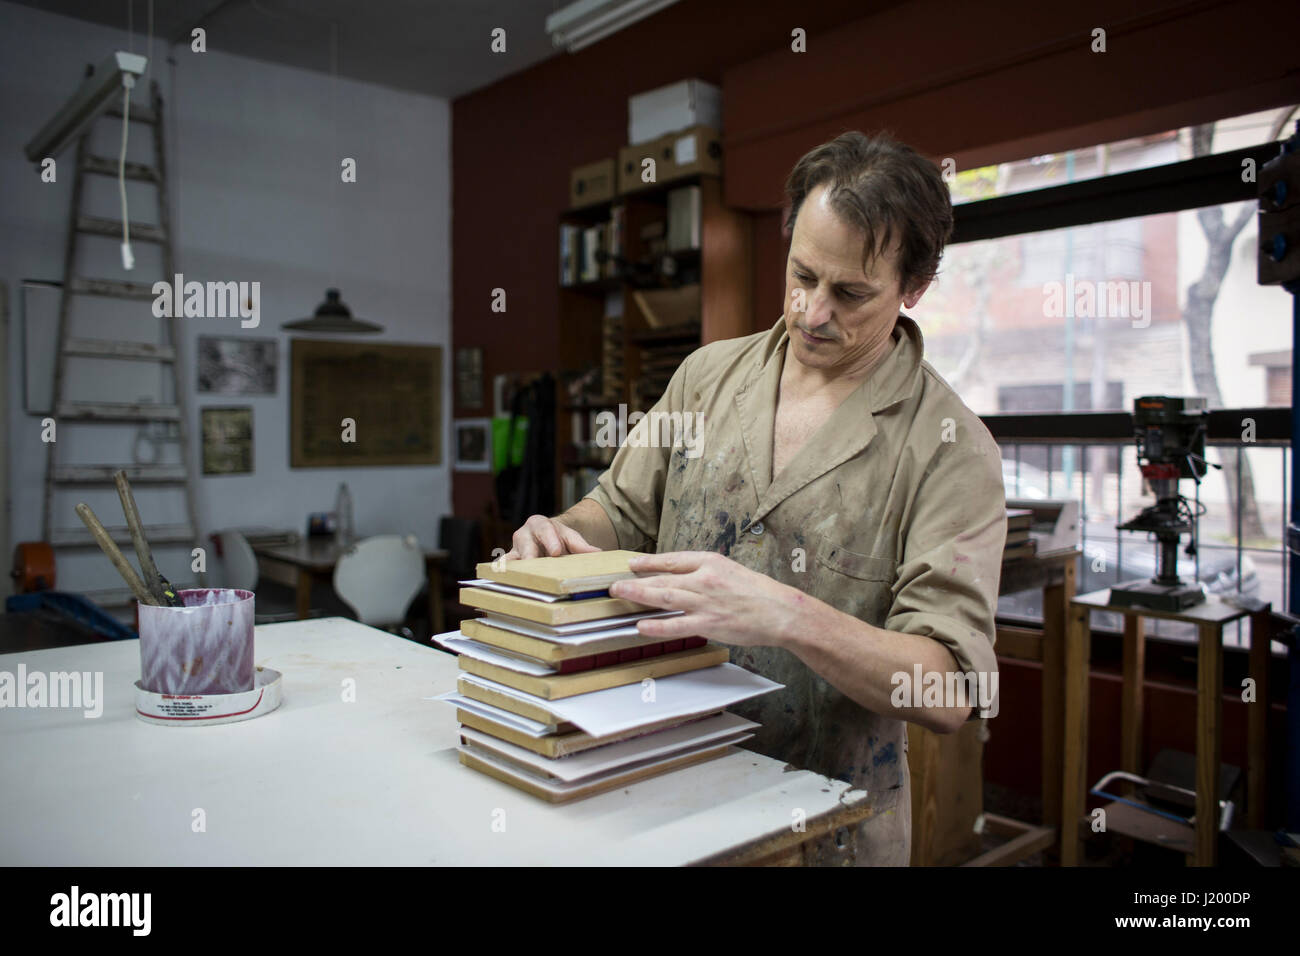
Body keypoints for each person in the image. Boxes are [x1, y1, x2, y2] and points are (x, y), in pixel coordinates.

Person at [504, 131, 1006, 865]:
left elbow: (949, 692)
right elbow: (618, 511)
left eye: (850, 294)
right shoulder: (705, 377)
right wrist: (558, 531)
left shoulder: (950, 449)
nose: (812, 312)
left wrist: (788, 616)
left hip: (822, 830)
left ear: (914, 289)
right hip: (656, 789)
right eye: (801, 275)